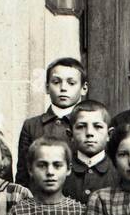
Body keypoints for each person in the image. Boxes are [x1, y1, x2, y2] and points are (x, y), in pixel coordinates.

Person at [16, 57, 86, 187]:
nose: (63, 88)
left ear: (83, 88)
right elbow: (23, 176)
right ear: (47, 87)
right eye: (56, 82)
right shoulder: (31, 126)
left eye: (71, 83)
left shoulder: (88, 126)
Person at [65, 100, 121, 203]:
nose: (89, 133)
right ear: (70, 135)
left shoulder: (119, 173)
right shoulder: (62, 173)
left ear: (109, 134)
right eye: (81, 126)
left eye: (98, 126)